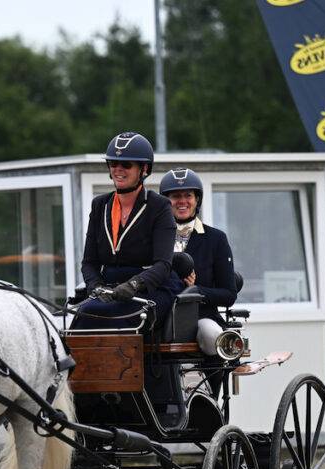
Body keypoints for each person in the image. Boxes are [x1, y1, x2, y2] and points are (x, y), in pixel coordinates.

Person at [72, 132, 182, 330]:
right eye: (113, 163)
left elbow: (163, 265)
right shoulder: (100, 205)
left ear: (144, 169)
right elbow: (89, 262)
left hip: (151, 288)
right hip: (110, 289)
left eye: (126, 164)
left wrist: (134, 284)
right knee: (82, 315)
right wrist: (96, 286)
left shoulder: (160, 206)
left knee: (118, 316)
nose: (118, 169)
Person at [159, 168, 237, 355]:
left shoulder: (216, 238)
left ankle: (216, 375)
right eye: (175, 196)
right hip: (159, 318)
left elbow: (228, 294)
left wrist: (195, 290)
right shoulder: (152, 237)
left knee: (213, 336)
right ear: (166, 201)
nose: (182, 201)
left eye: (188, 195)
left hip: (201, 318)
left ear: (197, 200)